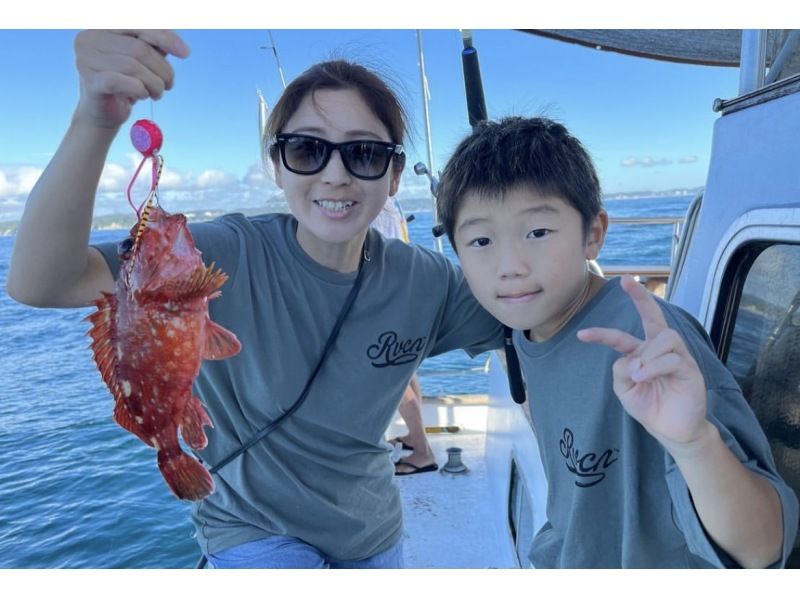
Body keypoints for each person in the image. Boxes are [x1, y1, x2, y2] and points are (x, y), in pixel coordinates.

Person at [6, 30, 503, 568]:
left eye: (364, 153)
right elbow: (42, 282)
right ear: (277, 165)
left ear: (394, 174)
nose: (335, 174)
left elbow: (530, 319)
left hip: (371, 529)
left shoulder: (425, 280)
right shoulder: (217, 252)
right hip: (249, 529)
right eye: (307, 149)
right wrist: (95, 120)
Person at [435, 116, 799, 568]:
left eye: (538, 232)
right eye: (481, 240)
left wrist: (694, 442)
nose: (510, 265)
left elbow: (764, 547)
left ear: (593, 234)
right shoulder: (525, 324)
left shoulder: (647, 340)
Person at [371, 197, 438, 475]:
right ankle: (416, 438)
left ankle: (422, 452)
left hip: (383, 299)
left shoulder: (372, 209)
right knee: (407, 371)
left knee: (391, 378)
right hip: (403, 297)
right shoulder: (389, 204)